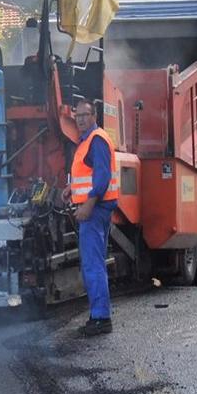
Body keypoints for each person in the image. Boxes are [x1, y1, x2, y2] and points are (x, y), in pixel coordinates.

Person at [69, 99, 119, 336]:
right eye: (77, 115)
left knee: (93, 264)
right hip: (99, 208)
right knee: (95, 262)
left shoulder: (96, 139)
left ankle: (100, 318)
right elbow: (88, 174)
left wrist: (88, 205)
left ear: (94, 115)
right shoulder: (88, 140)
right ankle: (98, 315)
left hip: (95, 209)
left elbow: (102, 177)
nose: (80, 119)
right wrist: (70, 189)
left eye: (84, 115)